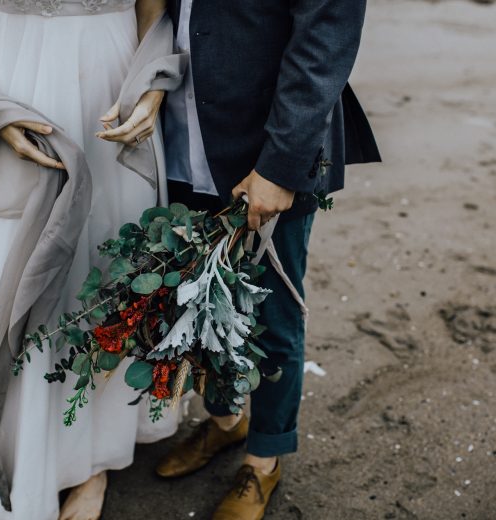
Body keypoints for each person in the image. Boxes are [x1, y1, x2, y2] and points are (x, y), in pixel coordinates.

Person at [121, 1, 380, 519]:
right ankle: (223, 423)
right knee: (200, 298)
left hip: (266, 145)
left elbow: (323, 40)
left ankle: (264, 459)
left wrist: (281, 167)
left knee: (273, 314)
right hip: (179, 131)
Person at [0, 1, 182, 519]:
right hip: (6, 81)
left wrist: (149, 84)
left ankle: (91, 462)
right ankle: (4, 454)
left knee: (99, 280)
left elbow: (154, 8)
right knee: (4, 275)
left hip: (108, 91)